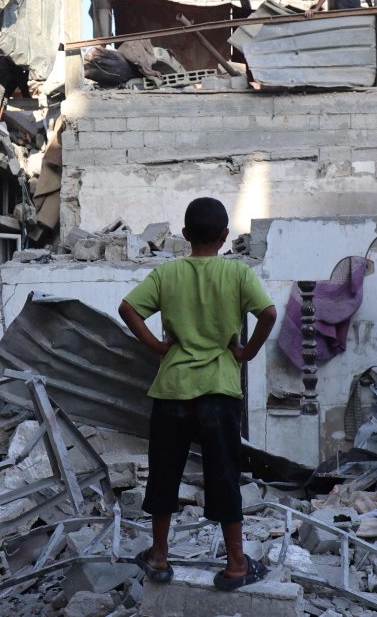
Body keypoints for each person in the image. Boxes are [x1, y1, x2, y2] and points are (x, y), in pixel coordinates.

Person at [119, 197, 278, 591]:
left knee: (164, 474)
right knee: (224, 475)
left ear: (185, 234)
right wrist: (246, 352)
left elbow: (128, 309)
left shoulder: (167, 274)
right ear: (225, 236)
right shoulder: (237, 273)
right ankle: (236, 564)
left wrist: (158, 347)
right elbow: (269, 314)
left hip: (173, 390)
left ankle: (159, 556)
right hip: (220, 391)